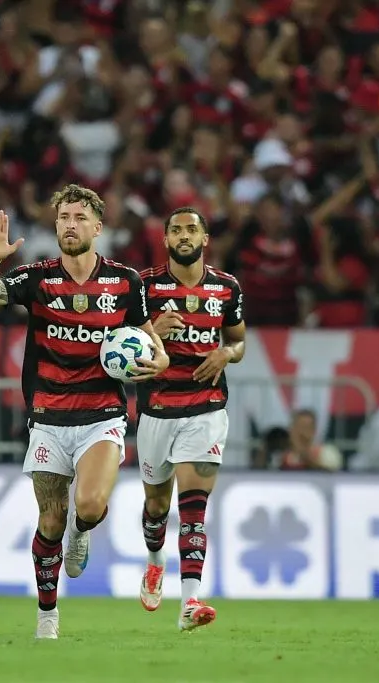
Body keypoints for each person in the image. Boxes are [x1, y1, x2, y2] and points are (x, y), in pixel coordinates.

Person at [0, 185, 169, 640]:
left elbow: (149, 337)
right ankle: (47, 618)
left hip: (102, 415)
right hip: (49, 417)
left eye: (79, 217)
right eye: (62, 218)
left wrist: (163, 360)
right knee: (49, 521)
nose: (69, 225)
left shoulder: (125, 282)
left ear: (98, 227)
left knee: (90, 508)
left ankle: (83, 530)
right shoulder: (38, 278)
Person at [136, 207, 246, 631]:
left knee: (194, 510)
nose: (184, 236)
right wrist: (151, 332)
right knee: (156, 506)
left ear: (205, 239)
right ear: (165, 240)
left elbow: (238, 341)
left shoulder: (226, 288)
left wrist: (226, 353)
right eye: (176, 230)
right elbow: (116, 345)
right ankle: (153, 560)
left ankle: (190, 603)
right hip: (157, 411)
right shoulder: (143, 287)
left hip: (206, 409)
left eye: (192, 229)